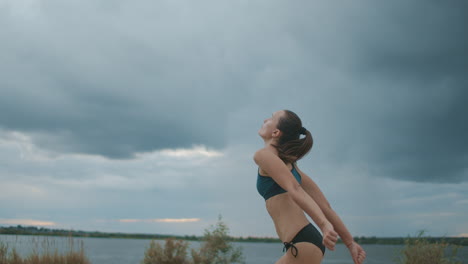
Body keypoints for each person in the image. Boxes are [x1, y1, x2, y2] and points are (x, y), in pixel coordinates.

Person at [254, 110, 366, 264]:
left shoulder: (263, 156)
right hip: (305, 243)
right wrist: (350, 243)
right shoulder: (292, 167)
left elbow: (295, 189)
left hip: (303, 245)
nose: (265, 119)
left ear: (276, 132)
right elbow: (325, 207)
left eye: (272, 118)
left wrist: (324, 225)